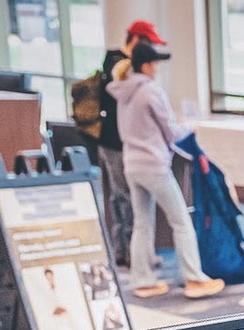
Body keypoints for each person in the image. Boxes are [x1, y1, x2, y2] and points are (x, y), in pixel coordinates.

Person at [106, 42, 223, 300]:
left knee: (141, 224)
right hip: (154, 166)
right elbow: (170, 131)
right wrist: (190, 127)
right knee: (181, 221)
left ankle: (143, 282)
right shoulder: (150, 92)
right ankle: (194, 279)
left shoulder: (123, 92)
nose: (157, 69)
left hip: (132, 165)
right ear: (146, 65)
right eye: (155, 64)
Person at [94, 19, 159, 267]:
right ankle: (132, 253)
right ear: (136, 40)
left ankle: (125, 251)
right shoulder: (120, 67)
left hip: (114, 141)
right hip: (116, 143)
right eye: (148, 44)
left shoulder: (112, 63)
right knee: (127, 198)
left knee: (121, 197)